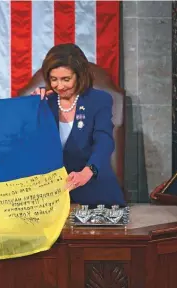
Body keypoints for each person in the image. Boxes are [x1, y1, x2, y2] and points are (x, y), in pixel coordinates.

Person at [34, 43, 125, 206]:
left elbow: (104, 140)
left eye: (66, 79)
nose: (59, 86)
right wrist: (31, 106)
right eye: (54, 79)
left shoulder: (99, 100)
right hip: (53, 197)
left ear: (80, 75)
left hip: (94, 191)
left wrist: (88, 171)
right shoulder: (44, 102)